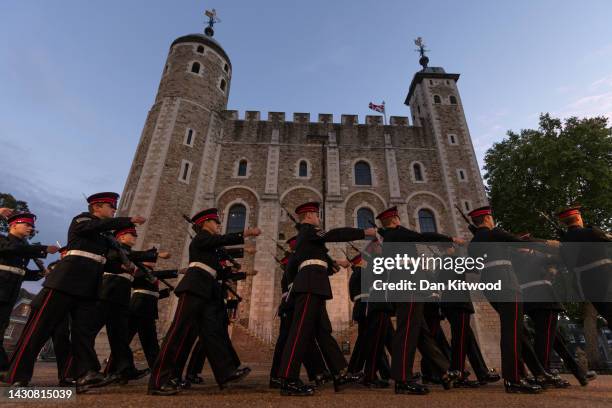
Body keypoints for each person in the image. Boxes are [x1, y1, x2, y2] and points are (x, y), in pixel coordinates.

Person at [4, 192, 143, 390]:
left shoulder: (105, 236)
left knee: (83, 332)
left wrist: (126, 266)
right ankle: (18, 375)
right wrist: (127, 220)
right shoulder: (82, 219)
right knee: (40, 328)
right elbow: (94, 227)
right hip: (66, 281)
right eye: (111, 207)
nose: (114, 210)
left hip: (89, 286)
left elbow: (105, 259)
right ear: (97, 207)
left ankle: (86, 373)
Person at [148, 208, 260, 396]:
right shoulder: (201, 238)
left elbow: (221, 272)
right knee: (178, 331)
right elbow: (219, 241)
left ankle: (226, 373)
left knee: (213, 333)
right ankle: (159, 380)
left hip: (208, 291)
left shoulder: (211, 247)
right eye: (215, 222)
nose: (218, 225)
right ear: (205, 223)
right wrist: (244, 234)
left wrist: (242, 273)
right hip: (194, 288)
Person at [278, 201, 377, 396]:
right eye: (316, 215)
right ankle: (288, 379)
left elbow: (316, 260)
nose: (318, 218)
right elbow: (335, 234)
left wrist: (332, 264)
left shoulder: (308, 239)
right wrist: (364, 232)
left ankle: (340, 373)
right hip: (309, 286)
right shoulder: (308, 230)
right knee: (300, 331)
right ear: (308, 217)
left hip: (315, 284)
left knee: (323, 331)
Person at [468, 205, 559, 393]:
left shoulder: (474, 242)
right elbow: (519, 242)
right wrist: (547, 243)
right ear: (486, 219)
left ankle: (538, 372)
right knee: (512, 332)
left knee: (518, 331)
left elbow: (474, 267)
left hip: (489, 285)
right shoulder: (495, 233)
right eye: (491, 218)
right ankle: (513, 379)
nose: (493, 221)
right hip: (506, 281)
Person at [375, 206, 462, 395]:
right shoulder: (398, 233)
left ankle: (444, 371)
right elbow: (424, 237)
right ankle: (402, 379)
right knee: (406, 333)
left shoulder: (389, 237)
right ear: (396, 220)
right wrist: (450, 239)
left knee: (421, 334)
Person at [0, 212, 58, 372]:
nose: (30, 228)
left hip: (10, 291)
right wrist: (42, 248)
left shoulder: (23, 249)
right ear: (13, 225)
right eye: (26, 224)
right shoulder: (4, 240)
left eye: (31, 225)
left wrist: (40, 274)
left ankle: (3, 367)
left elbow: (20, 272)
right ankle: (4, 367)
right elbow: (10, 249)